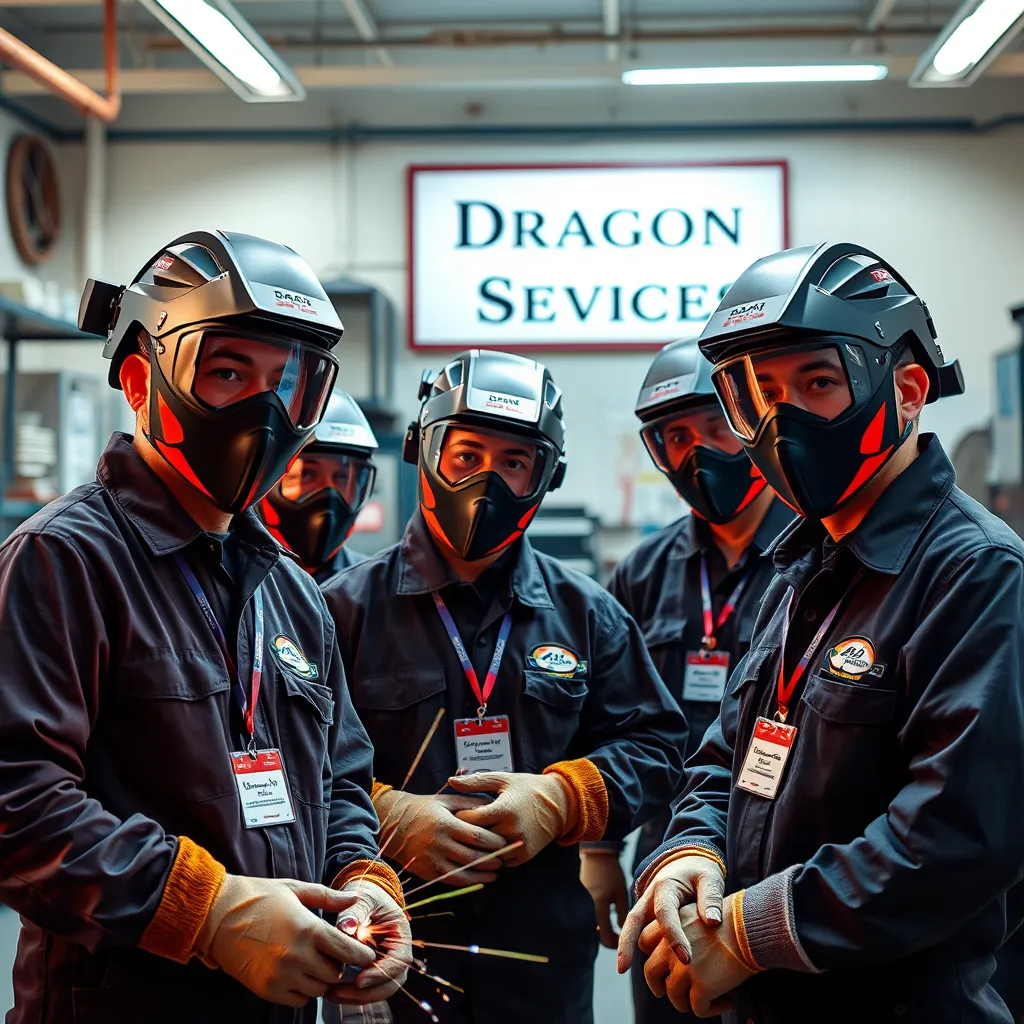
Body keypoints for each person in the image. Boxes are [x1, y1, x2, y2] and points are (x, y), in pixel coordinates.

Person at [0, 229, 410, 1024]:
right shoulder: (63, 560)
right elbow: (17, 796)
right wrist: (205, 910)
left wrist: (363, 881)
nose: (264, 409)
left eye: (286, 382)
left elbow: (338, 777)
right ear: (139, 380)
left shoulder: (288, 587)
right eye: (228, 373)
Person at [618, 241, 1024, 1024]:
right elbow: (726, 754)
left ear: (906, 390)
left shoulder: (976, 572)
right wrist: (688, 857)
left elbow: (958, 832)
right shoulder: (805, 563)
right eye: (757, 394)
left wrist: (747, 931)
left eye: (818, 384)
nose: (782, 419)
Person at [322, 349, 686, 1024]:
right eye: (466, 456)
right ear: (424, 452)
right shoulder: (339, 610)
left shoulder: (588, 613)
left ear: (546, 479)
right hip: (386, 953)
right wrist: (386, 817)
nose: (485, 483)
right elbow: (287, 763)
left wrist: (561, 799)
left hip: (540, 960)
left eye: (515, 463)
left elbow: (657, 746)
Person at [578, 338, 792, 1024]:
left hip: (784, 855)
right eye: (676, 437)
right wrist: (601, 848)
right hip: (667, 859)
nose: (698, 452)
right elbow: (611, 717)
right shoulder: (643, 572)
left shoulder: (818, 550)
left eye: (714, 429)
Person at [260, 387, 378, 584]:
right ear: (266, 479)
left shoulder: (372, 589)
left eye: (341, 477)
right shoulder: (231, 579)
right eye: (306, 474)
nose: (329, 495)